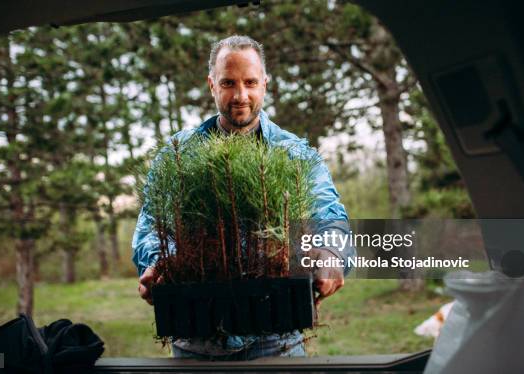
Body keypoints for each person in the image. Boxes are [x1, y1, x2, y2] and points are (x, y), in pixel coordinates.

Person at [132, 35, 356, 360]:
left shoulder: (295, 154)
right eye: (228, 83)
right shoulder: (179, 155)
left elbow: (330, 218)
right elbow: (152, 225)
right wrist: (157, 264)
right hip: (196, 338)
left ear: (264, 84)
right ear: (212, 85)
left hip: (277, 339)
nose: (241, 95)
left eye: (250, 82)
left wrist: (330, 255)